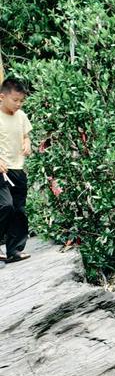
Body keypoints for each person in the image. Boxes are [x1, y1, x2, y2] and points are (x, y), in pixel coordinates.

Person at [0, 77, 33, 263]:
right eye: (15, 100)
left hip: (18, 169)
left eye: (21, 101)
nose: (19, 104)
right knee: (6, 206)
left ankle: (14, 250)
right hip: (1, 170)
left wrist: (27, 143)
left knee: (19, 210)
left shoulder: (21, 116)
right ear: (2, 97)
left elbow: (26, 135)